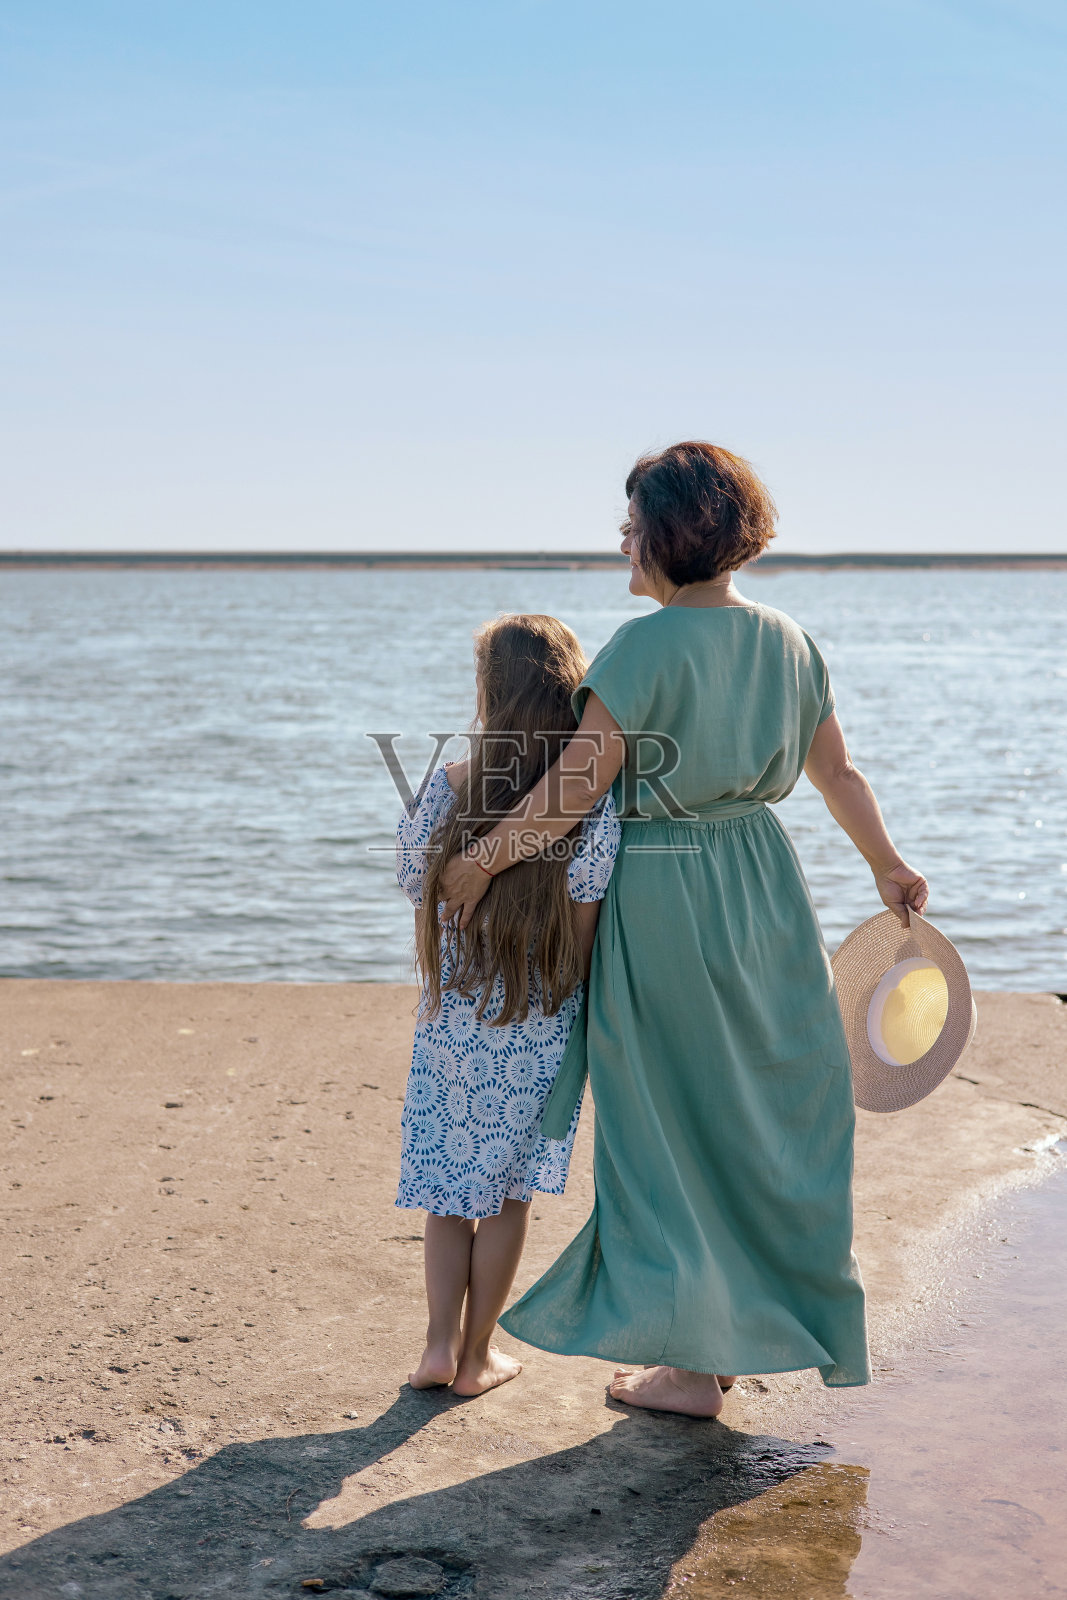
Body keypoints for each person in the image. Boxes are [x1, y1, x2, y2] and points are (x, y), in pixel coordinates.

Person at [439, 442, 928, 1418]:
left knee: (663, 1121)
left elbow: (573, 791)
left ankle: (692, 1365)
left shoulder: (641, 648)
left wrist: (480, 860)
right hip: (764, 888)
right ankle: (729, 1340)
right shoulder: (788, 639)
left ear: (670, 534)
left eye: (631, 525)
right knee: (757, 1110)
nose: (621, 542)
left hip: (664, 888)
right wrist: (885, 862)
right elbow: (837, 774)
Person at [395, 613, 620, 1396]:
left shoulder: (450, 782)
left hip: (450, 1021)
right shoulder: (587, 799)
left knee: (445, 1194)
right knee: (505, 1197)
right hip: (536, 1023)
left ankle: (435, 1347)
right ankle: (476, 1358)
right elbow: (586, 911)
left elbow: (411, 879)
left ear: (488, 690)